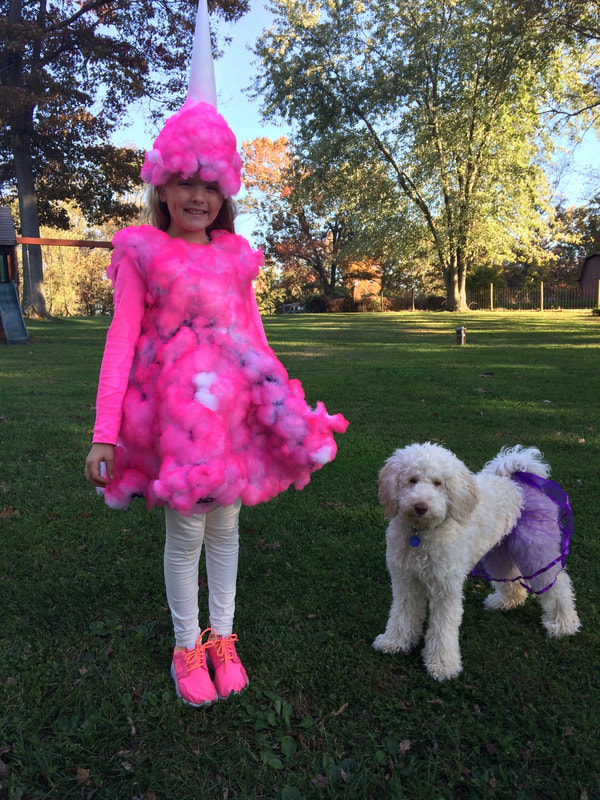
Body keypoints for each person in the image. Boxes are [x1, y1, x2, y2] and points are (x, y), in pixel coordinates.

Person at [84, 99, 348, 708]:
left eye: (209, 184)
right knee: (187, 535)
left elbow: (254, 336)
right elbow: (120, 341)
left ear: (224, 189)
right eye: (184, 182)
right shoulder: (143, 253)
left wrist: (280, 406)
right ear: (163, 186)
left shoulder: (234, 256)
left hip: (231, 415)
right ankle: (187, 647)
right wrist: (104, 431)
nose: (196, 196)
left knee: (226, 529)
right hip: (175, 423)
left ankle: (224, 638)